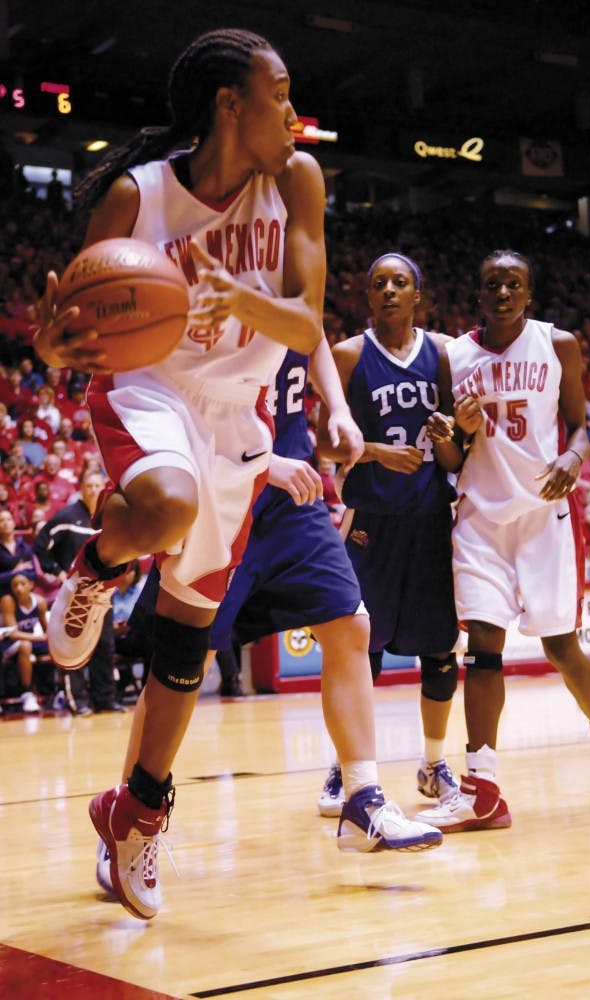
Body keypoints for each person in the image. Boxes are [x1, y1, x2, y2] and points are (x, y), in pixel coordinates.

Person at [35, 29, 440, 921]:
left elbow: (301, 323)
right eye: (281, 95)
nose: (294, 114)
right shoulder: (134, 195)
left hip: (242, 424)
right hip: (151, 393)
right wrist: (52, 342)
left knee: (188, 629)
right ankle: (95, 566)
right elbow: (59, 330)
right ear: (231, 104)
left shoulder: (294, 181)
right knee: (165, 503)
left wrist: (248, 307)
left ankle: (136, 814)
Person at [415, 249, 590, 831]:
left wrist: (572, 454)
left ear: (528, 293)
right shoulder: (453, 356)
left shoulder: (558, 344)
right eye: (492, 284)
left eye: (513, 284)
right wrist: (452, 433)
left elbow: (583, 424)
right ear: (478, 293)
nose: (503, 293)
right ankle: (482, 788)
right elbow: (454, 455)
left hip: (544, 517)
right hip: (482, 518)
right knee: (484, 649)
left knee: (562, 647)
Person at [316, 252, 460, 813]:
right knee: (359, 650)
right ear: (368, 295)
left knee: (441, 651)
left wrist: (449, 435)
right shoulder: (348, 356)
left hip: (430, 520)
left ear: (418, 293)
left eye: (401, 281)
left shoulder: (445, 353)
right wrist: (374, 452)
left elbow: (455, 452)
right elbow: (322, 443)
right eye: (379, 282)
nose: (390, 290)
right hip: (369, 523)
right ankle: (345, 770)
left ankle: (433, 763)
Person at [33, 468, 125, 715]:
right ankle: (77, 700)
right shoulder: (66, 517)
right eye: (89, 486)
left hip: (101, 596)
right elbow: (41, 545)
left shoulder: (109, 518)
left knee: (104, 646)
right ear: (81, 489)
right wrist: (58, 572)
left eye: (97, 486)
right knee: (71, 646)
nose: (94, 490)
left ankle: (105, 699)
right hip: (73, 598)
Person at [0, 571, 48, 713]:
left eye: (22, 584)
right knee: (25, 646)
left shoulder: (39, 602)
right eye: (15, 585)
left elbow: (47, 630)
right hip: (8, 643)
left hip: (29, 640)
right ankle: (27, 694)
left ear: (31, 585)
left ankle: (59, 691)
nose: (18, 588)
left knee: (58, 648)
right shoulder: (8, 601)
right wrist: (41, 638)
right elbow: (13, 634)